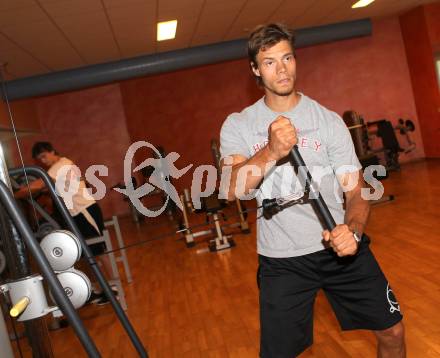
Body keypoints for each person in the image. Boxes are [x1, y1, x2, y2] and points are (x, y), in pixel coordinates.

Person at [219, 24, 405, 357]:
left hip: (340, 248)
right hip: (283, 260)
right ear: (255, 69)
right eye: (270, 61)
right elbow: (231, 189)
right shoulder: (239, 124)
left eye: (287, 57)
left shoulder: (327, 121)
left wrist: (354, 231)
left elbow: (356, 194)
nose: (282, 69)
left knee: (392, 330)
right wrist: (271, 151)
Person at [14, 142, 117, 306]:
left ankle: (112, 288)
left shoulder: (60, 165)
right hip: (77, 214)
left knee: (97, 252)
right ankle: (106, 287)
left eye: (44, 156)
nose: (43, 161)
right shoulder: (63, 164)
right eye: (39, 159)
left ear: (52, 151)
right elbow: (55, 187)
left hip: (84, 211)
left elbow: (39, 184)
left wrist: (12, 195)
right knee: (89, 253)